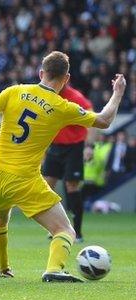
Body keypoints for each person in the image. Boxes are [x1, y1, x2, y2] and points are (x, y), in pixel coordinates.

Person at [0, 51, 126, 282]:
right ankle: (54, 269)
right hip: (22, 179)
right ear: (66, 79)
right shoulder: (61, 106)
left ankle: (3, 269)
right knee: (65, 230)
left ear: (41, 73)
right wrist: (117, 94)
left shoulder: (15, 91)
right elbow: (104, 120)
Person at [42, 85, 92, 242]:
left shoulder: (76, 97)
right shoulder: (47, 95)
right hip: (55, 146)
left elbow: (94, 119)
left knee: (72, 186)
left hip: (74, 147)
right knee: (47, 186)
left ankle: (77, 232)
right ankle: (58, 227)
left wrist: (89, 146)